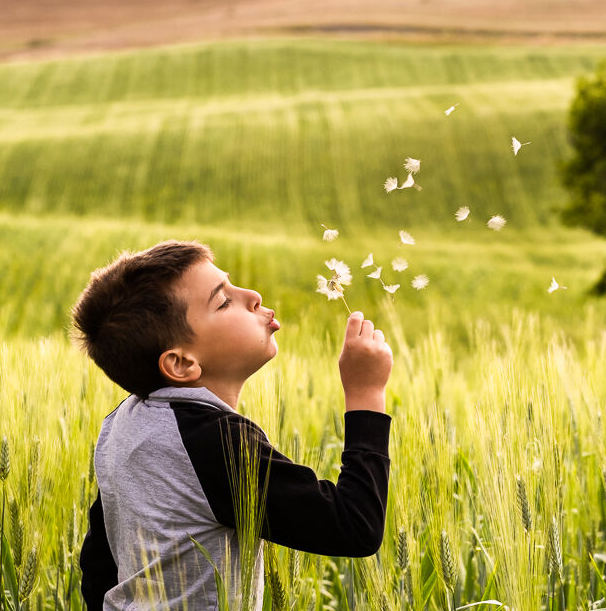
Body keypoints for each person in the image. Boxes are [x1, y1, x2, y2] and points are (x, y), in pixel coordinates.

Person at [72, 240, 393, 610]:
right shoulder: (215, 443)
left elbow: (99, 563)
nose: (253, 296)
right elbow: (355, 525)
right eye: (223, 301)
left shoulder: (119, 425)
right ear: (181, 363)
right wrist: (366, 392)